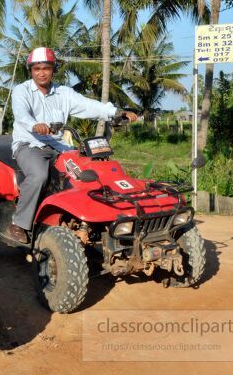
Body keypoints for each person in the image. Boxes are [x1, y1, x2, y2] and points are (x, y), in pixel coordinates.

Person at [8, 47, 138, 243]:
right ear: (31, 70)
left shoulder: (63, 93)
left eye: (46, 68)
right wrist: (35, 125)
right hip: (29, 143)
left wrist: (115, 113)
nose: (42, 73)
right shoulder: (21, 91)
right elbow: (21, 114)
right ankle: (19, 223)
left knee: (88, 169)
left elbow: (89, 105)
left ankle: (91, 216)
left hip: (59, 146)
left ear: (53, 70)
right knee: (39, 176)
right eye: (37, 69)